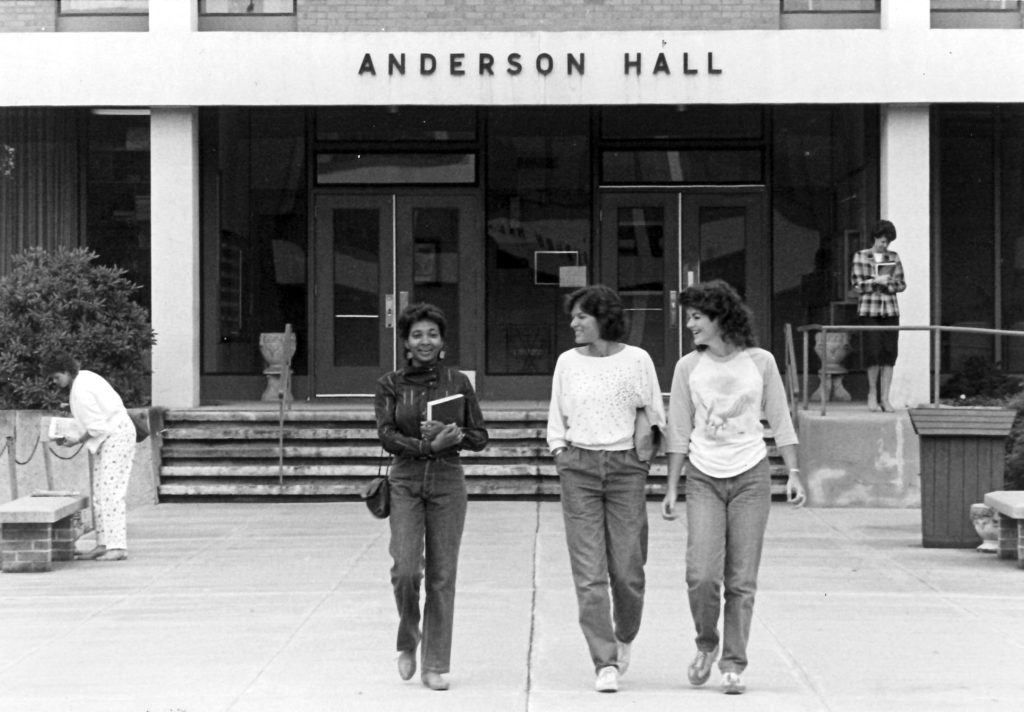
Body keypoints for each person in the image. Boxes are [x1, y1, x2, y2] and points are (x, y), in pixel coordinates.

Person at [661, 280, 805, 696]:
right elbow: (678, 430)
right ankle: (707, 643)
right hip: (704, 476)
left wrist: (793, 472)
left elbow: (780, 419)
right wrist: (672, 486)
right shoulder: (688, 367)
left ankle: (733, 663)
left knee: (741, 579)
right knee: (701, 575)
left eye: (696, 317)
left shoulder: (760, 362)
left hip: (751, 478)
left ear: (720, 317)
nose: (689, 324)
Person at [546, 284, 665, 693]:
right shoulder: (567, 362)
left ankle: (624, 634)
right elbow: (556, 417)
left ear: (603, 318)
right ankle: (604, 661)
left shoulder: (637, 360)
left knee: (628, 570)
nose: (573, 323)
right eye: (573, 316)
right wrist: (561, 452)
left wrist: (640, 460)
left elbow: (653, 414)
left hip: (624, 471)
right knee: (589, 574)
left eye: (582, 315)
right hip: (578, 468)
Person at [373, 303, 488, 692]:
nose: (425, 341)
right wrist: (426, 443)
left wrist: (452, 432)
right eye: (417, 335)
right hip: (405, 478)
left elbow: (480, 437)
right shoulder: (390, 383)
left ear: (442, 340)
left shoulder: (458, 382)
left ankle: (435, 664)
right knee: (406, 569)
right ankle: (408, 638)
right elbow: (386, 434)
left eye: (432, 335)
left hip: (448, 481)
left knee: (442, 576)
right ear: (405, 342)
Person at [43, 353, 135, 562]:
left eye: (56, 377)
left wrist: (76, 440)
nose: (55, 383)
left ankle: (117, 546)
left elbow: (96, 426)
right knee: (100, 492)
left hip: (115, 436)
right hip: (111, 435)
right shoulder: (85, 378)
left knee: (111, 492)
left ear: (66, 372)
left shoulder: (81, 389)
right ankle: (104, 543)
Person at [850, 219, 906, 412]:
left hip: (890, 310)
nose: (885, 245)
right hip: (870, 310)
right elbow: (857, 285)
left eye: (888, 242)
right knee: (873, 352)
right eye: (883, 241)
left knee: (889, 353)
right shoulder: (861, 256)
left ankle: (886, 398)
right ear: (875, 238)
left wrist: (888, 282)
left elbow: (901, 284)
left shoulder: (894, 256)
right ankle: (872, 393)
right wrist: (875, 281)